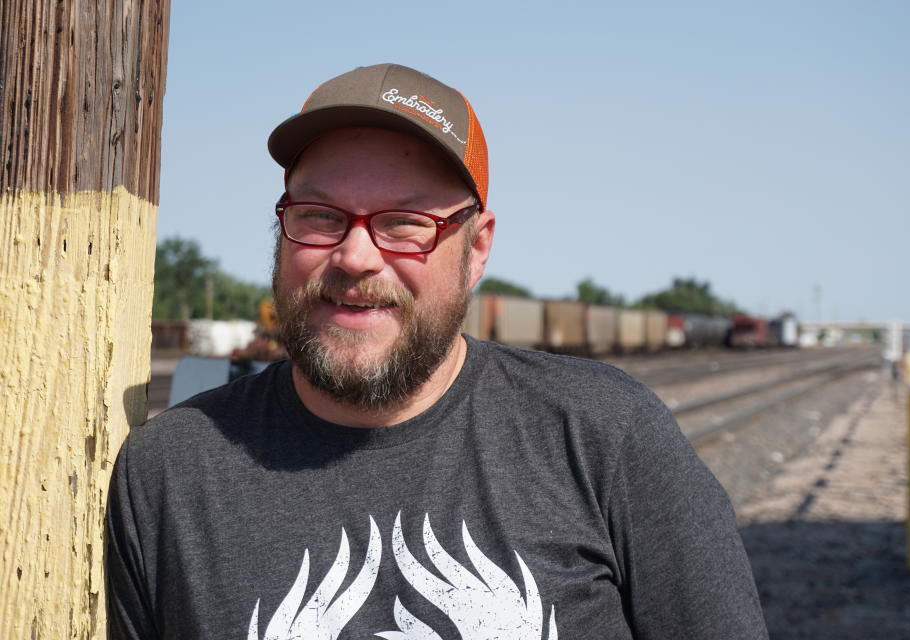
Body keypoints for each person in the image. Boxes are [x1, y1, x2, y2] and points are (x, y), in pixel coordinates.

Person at [106, 63, 768, 640]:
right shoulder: (168, 474)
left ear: (477, 248)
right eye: (319, 215)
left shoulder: (605, 437)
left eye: (405, 224)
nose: (356, 257)